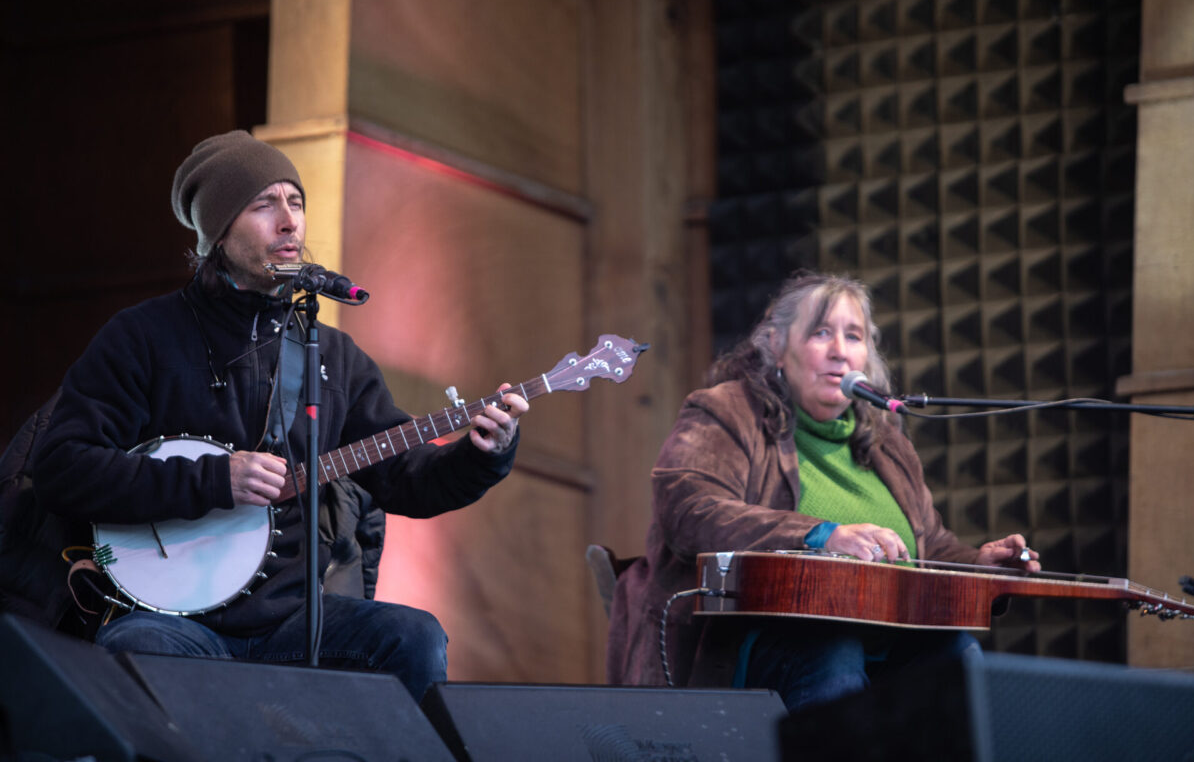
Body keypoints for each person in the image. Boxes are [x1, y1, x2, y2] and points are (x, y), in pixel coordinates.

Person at [31, 130, 528, 703]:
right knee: (136, 649)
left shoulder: (332, 356)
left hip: (291, 622)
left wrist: (484, 454)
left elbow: (406, 480)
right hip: (168, 622)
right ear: (217, 231)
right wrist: (217, 480)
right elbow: (63, 467)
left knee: (412, 637)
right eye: (264, 204)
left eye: (295, 202)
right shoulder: (142, 338)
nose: (289, 221)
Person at [606, 270, 1039, 713]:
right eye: (820, 333)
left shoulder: (888, 441)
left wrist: (977, 563)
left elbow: (926, 546)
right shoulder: (725, 411)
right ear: (776, 346)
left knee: (957, 655)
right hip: (740, 647)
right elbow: (691, 511)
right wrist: (822, 535)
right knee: (835, 651)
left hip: (884, 645)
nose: (839, 352)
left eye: (853, 337)